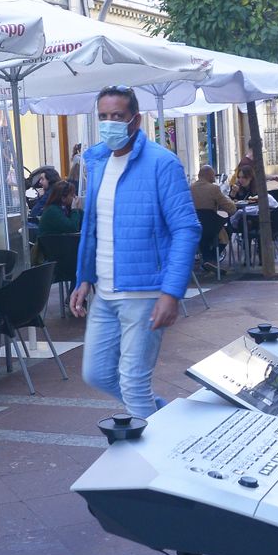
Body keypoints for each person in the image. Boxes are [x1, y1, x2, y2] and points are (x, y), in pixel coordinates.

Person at [70, 86, 200, 417]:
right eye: (103, 117)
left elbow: (186, 229)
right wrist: (84, 277)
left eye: (117, 116)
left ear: (135, 120)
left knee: (132, 382)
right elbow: (94, 227)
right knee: (96, 374)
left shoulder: (162, 163)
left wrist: (171, 293)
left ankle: (154, 462)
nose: (109, 123)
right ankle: (163, 419)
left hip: (144, 292)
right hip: (105, 291)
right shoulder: (97, 162)